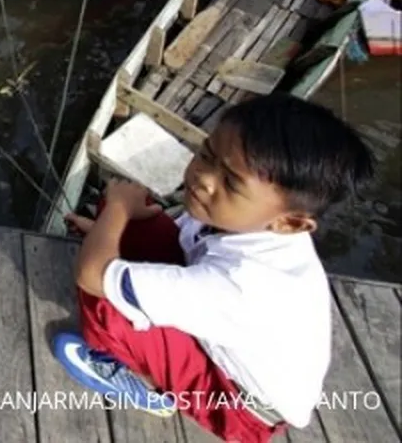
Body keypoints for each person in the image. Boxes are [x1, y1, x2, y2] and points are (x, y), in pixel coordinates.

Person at [55, 95, 373, 442]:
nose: (203, 178)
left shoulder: (244, 286)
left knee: (106, 303)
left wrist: (116, 211)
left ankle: (143, 388)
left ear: (292, 222)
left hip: (236, 405)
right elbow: (169, 233)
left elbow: (90, 275)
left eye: (232, 183)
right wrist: (112, 225)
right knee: (125, 217)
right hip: (224, 328)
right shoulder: (255, 225)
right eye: (206, 154)